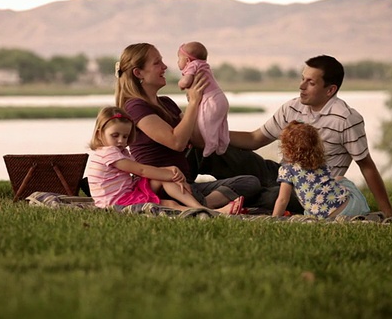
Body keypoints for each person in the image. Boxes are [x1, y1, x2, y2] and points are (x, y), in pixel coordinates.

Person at [228, 54, 392, 217]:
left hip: (311, 192)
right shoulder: (292, 107)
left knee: (272, 196)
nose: (302, 86)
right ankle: (210, 198)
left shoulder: (346, 119)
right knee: (222, 153)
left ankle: (233, 198)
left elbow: (366, 166)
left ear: (330, 90)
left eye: (311, 83)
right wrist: (211, 136)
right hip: (284, 172)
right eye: (302, 79)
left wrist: (388, 213)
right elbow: (255, 139)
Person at [114, 42, 261, 212]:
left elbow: (197, 140)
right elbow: (176, 142)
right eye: (157, 63)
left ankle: (202, 205)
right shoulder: (135, 107)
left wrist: (206, 103)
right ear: (138, 73)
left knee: (250, 182)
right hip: (165, 186)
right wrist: (193, 103)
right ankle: (199, 205)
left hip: (186, 184)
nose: (165, 67)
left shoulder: (167, 103)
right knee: (257, 194)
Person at [86, 106, 244, 214]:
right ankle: (209, 212)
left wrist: (169, 170)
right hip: (115, 203)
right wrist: (172, 175)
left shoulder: (119, 151)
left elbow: (143, 172)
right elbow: (141, 170)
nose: (121, 140)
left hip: (128, 193)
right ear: (100, 133)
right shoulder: (108, 154)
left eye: (125, 136)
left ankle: (201, 208)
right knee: (168, 204)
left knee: (164, 179)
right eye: (115, 135)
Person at [272, 120, 370, 218]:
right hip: (350, 209)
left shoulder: (287, 170)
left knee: (336, 181)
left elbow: (283, 200)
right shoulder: (320, 163)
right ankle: (363, 208)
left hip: (320, 217)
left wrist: (274, 218)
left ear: (286, 149)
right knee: (341, 179)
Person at [177, 41, 229, 157]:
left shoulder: (193, 65)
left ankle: (210, 144)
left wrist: (180, 83)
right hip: (220, 98)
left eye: (179, 59)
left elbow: (186, 81)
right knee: (220, 123)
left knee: (204, 123)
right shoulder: (204, 66)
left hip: (209, 100)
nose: (177, 62)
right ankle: (223, 142)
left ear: (187, 60)